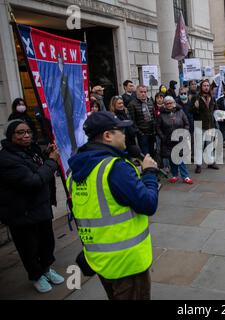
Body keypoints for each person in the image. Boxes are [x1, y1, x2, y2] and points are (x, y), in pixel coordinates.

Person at [67, 111, 159, 300]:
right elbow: (148, 204)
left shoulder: (75, 171)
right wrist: (149, 173)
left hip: (100, 260)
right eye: (121, 131)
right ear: (107, 136)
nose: (125, 135)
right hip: (127, 264)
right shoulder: (115, 167)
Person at [0, 120, 64, 293]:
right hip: (21, 213)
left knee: (46, 243)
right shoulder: (6, 158)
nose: (26, 135)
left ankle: (46, 269)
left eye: (28, 131)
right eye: (20, 133)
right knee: (29, 247)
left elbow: (37, 167)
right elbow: (32, 180)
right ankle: (36, 275)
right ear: (11, 136)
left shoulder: (31, 150)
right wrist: (52, 162)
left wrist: (46, 155)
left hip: (41, 208)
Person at [157, 96, 193, 185]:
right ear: (164, 105)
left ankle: (185, 176)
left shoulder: (180, 111)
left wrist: (184, 133)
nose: (169, 105)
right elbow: (158, 127)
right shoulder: (161, 114)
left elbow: (186, 123)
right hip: (168, 140)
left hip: (179, 139)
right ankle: (174, 175)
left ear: (174, 103)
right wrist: (163, 137)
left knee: (180, 159)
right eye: (167, 103)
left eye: (170, 103)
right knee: (171, 159)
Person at [191, 79, 219, 173]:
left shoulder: (212, 97)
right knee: (199, 146)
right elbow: (191, 112)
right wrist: (195, 107)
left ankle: (210, 162)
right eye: (204, 85)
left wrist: (220, 116)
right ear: (201, 87)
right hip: (199, 124)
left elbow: (216, 110)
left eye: (207, 85)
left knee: (209, 145)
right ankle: (198, 165)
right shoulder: (196, 97)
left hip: (210, 124)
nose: (206, 87)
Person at [127, 85, 157, 159]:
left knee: (152, 153)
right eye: (141, 92)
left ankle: (152, 169)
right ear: (137, 93)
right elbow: (132, 121)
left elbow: (154, 116)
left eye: (145, 92)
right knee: (145, 155)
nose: (143, 94)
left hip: (152, 132)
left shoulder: (150, 101)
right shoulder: (132, 104)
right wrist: (139, 132)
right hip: (142, 134)